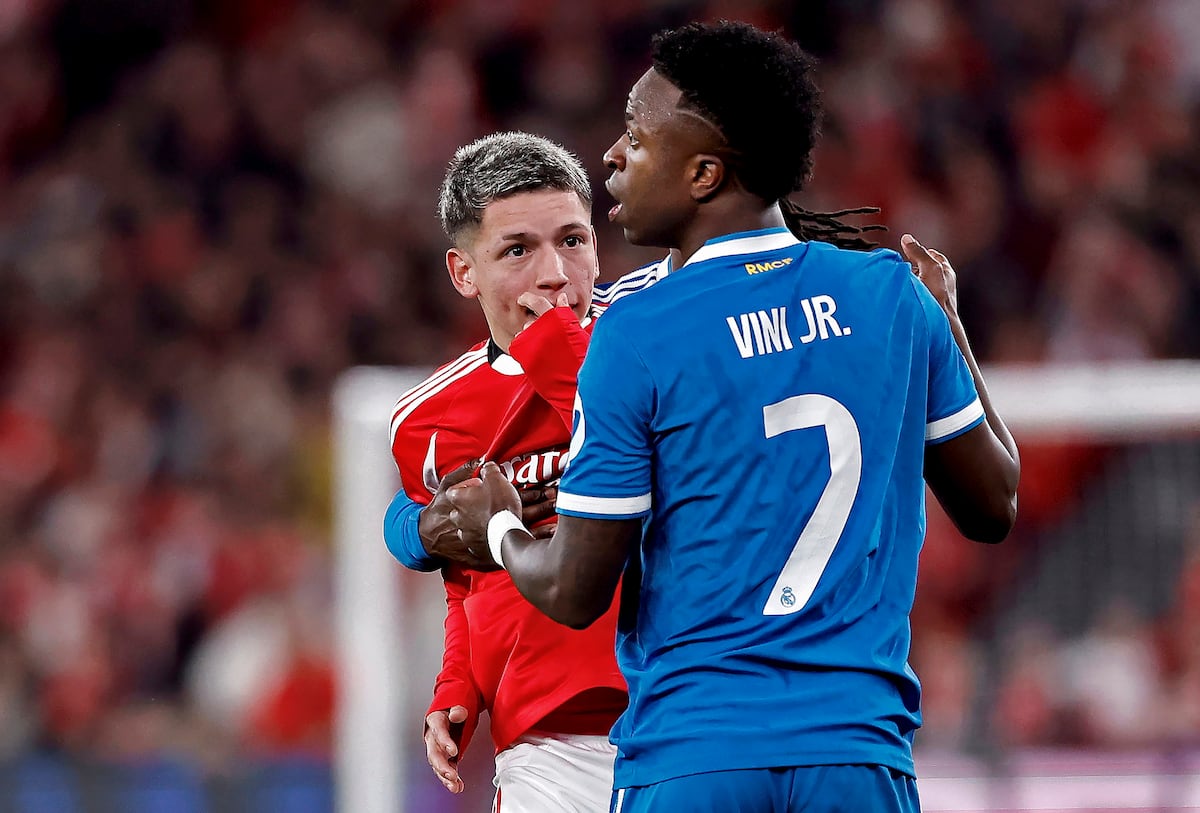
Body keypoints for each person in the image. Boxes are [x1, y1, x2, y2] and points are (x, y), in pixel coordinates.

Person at [441, 21, 1020, 813]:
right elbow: (994, 504)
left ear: (705, 173)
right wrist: (947, 320)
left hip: (696, 755)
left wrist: (500, 526)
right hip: (857, 755)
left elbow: (575, 588)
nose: (612, 155)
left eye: (638, 136)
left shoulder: (638, 333)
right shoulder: (892, 295)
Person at [387, 131, 661, 812]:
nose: (555, 273)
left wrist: (553, 349)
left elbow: (664, 469)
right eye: (518, 250)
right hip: (545, 744)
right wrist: (458, 685)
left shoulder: (653, 336)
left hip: (680, 711)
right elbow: (467, 574)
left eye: (572, 240)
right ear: (464, 273)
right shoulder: (427, 418)